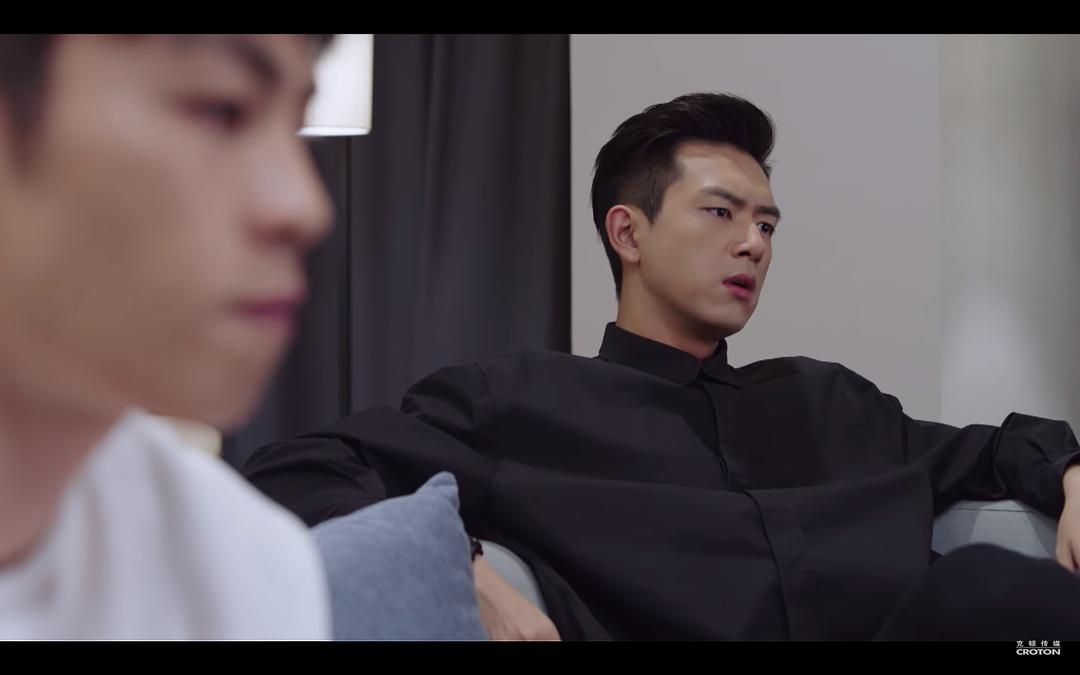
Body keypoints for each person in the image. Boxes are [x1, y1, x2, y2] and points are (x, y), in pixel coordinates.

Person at [242, 92, 1080, 640]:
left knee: (1003, 596)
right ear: (628, 233)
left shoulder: (828, 400)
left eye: (766, 224)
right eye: (721, 213)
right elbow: (303, 470)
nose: (753, 243)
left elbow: (999, 447)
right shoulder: (521, 402)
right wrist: (466, 571)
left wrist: (1075, 475)